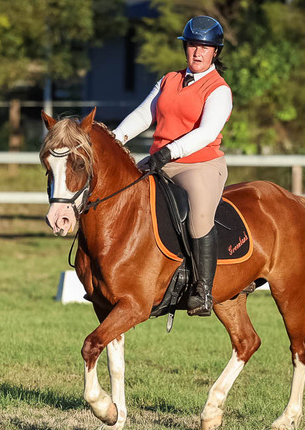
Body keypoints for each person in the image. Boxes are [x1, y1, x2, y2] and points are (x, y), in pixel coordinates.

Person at [112, 15, 232, 317]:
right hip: (159, 161)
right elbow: (143, 116)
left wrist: (167, 153)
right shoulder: (168, 80)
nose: (198, 52)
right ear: (185, 48)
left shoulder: (219, 90)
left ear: (215, 51)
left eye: (205, 47)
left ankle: (202, 291)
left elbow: (205, 133)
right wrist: (114, 141)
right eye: (193, 45)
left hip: (199, 165)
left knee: (199, 217)